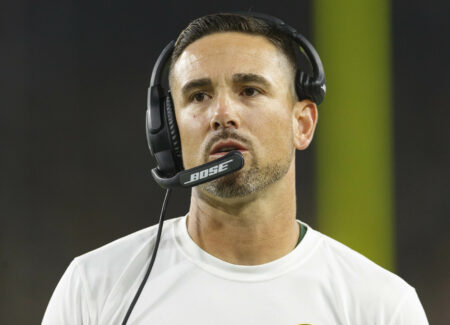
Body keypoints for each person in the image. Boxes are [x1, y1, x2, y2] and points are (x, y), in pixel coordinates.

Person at [42, 13, 428, 324]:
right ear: (167, 134)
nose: (221, 114)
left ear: (303, 123)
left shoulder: (381, 306)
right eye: (198, 95)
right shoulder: (93, 286)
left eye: (250, 90)